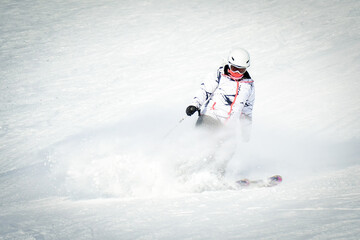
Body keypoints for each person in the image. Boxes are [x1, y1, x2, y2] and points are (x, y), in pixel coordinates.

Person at [185, 48, 255, 141]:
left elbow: (247, 110)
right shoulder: (218, 76)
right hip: (210, 117)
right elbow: (204, 90)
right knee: (207, 144)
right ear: (229, 65)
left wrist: (245, 130)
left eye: (241, 70)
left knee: (227, 152)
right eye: (234, 69)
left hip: (228, 127)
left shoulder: (248, 85)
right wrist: (194, 104)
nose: (237, 73)